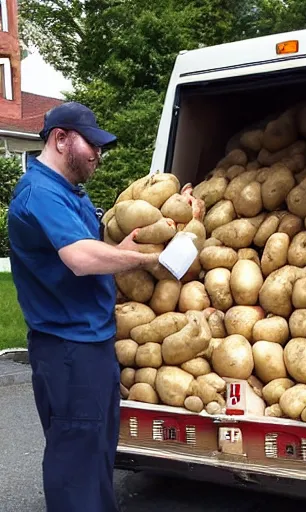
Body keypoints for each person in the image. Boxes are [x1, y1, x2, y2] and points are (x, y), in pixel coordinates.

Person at [8, 102, 157, 512]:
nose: (98, 154)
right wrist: (145, 259)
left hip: (89, 346)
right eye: (92, 144)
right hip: (68, 350)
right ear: (61, 139)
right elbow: (80, 258)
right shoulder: (40, 192)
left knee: (94, 459)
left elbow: (93, 250)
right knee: (77, 468)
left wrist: (119, 251)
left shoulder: (66, 191)